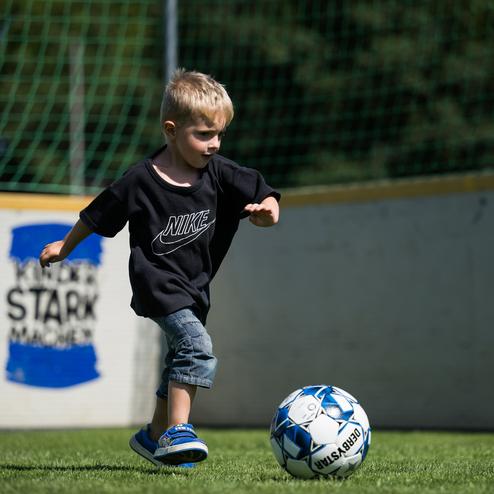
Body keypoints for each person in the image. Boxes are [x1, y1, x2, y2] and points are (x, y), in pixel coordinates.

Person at [39, 69, 280, 468]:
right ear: (171, 130)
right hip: (157, 284)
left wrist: (268, 213)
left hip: (196, 288)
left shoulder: (218, 173)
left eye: (219, 134)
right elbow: (97, 215)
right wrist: (66, 245)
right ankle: (176, 431)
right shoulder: (140, 180)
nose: (213, 144)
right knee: (196, 347)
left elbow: (263, 192)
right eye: (203, 135)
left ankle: (152, 436)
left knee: (178, 360)